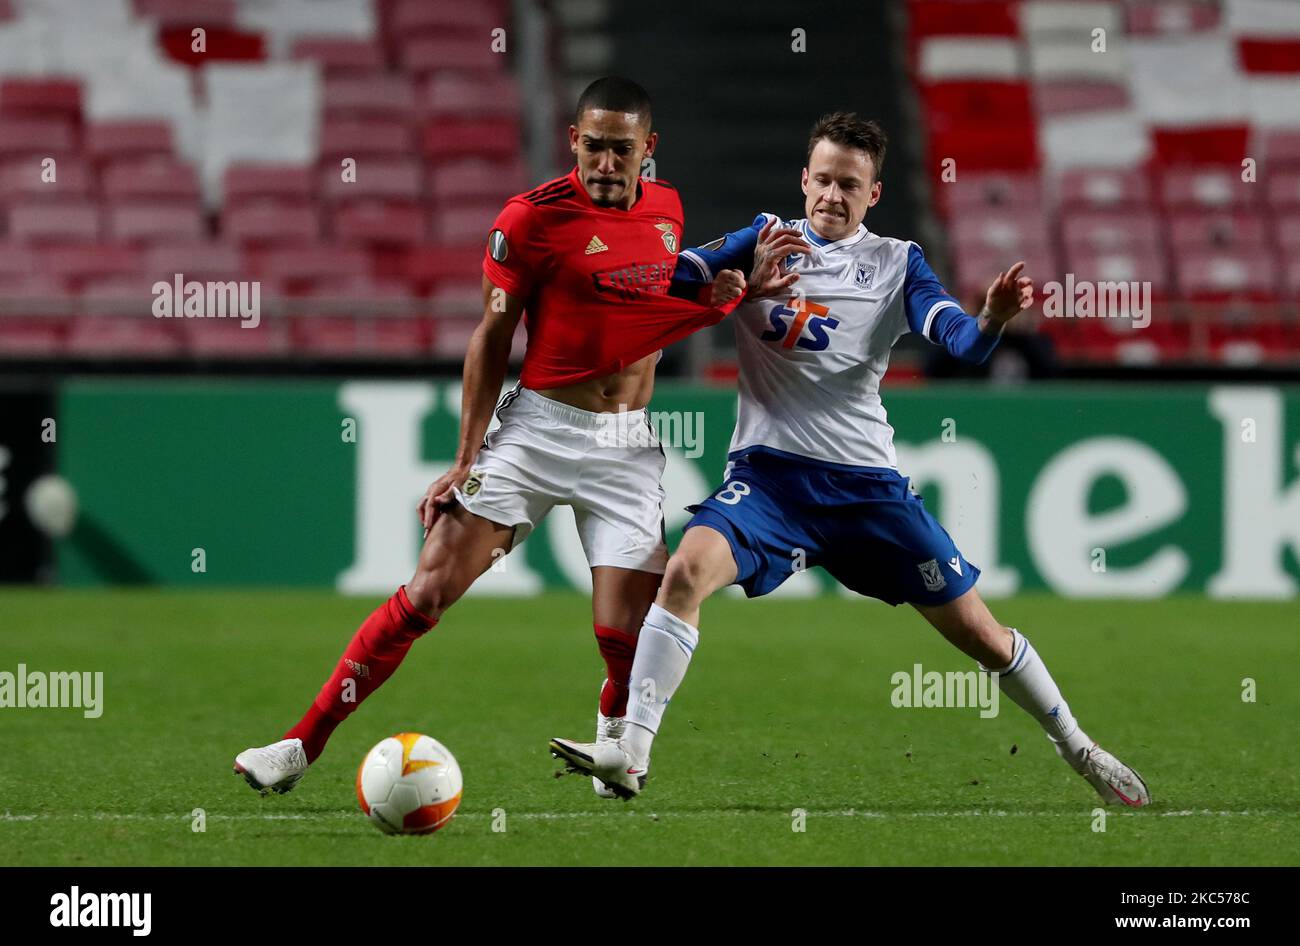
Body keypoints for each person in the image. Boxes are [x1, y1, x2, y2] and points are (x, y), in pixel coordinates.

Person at [549, 112, 1151, 807]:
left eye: (850, 185)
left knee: (982, 636)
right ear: (804, 180)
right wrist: (727, 283)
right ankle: (631, 755)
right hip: (769, 481)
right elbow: (673, 279)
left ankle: (1077, 746)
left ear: (874, 194)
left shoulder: (898, 263)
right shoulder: (764, 239)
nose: (833, 195)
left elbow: (960, 343)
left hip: (868, 492)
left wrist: (990, 319)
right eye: (824, 180)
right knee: (683, 572)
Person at [234, 76, 743, 798]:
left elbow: (644, 300)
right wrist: (466, 457)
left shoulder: (668, 211)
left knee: (626, 642)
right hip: (537, 432)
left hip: (625, 447)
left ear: (647, 151)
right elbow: (491, 336)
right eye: (592, 146)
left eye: (620, 150)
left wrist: (708, 298)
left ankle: (613, 740)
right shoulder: (528, 221)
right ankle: (297, 745)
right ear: (573, 141)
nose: (604, 162)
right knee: (428, 591)